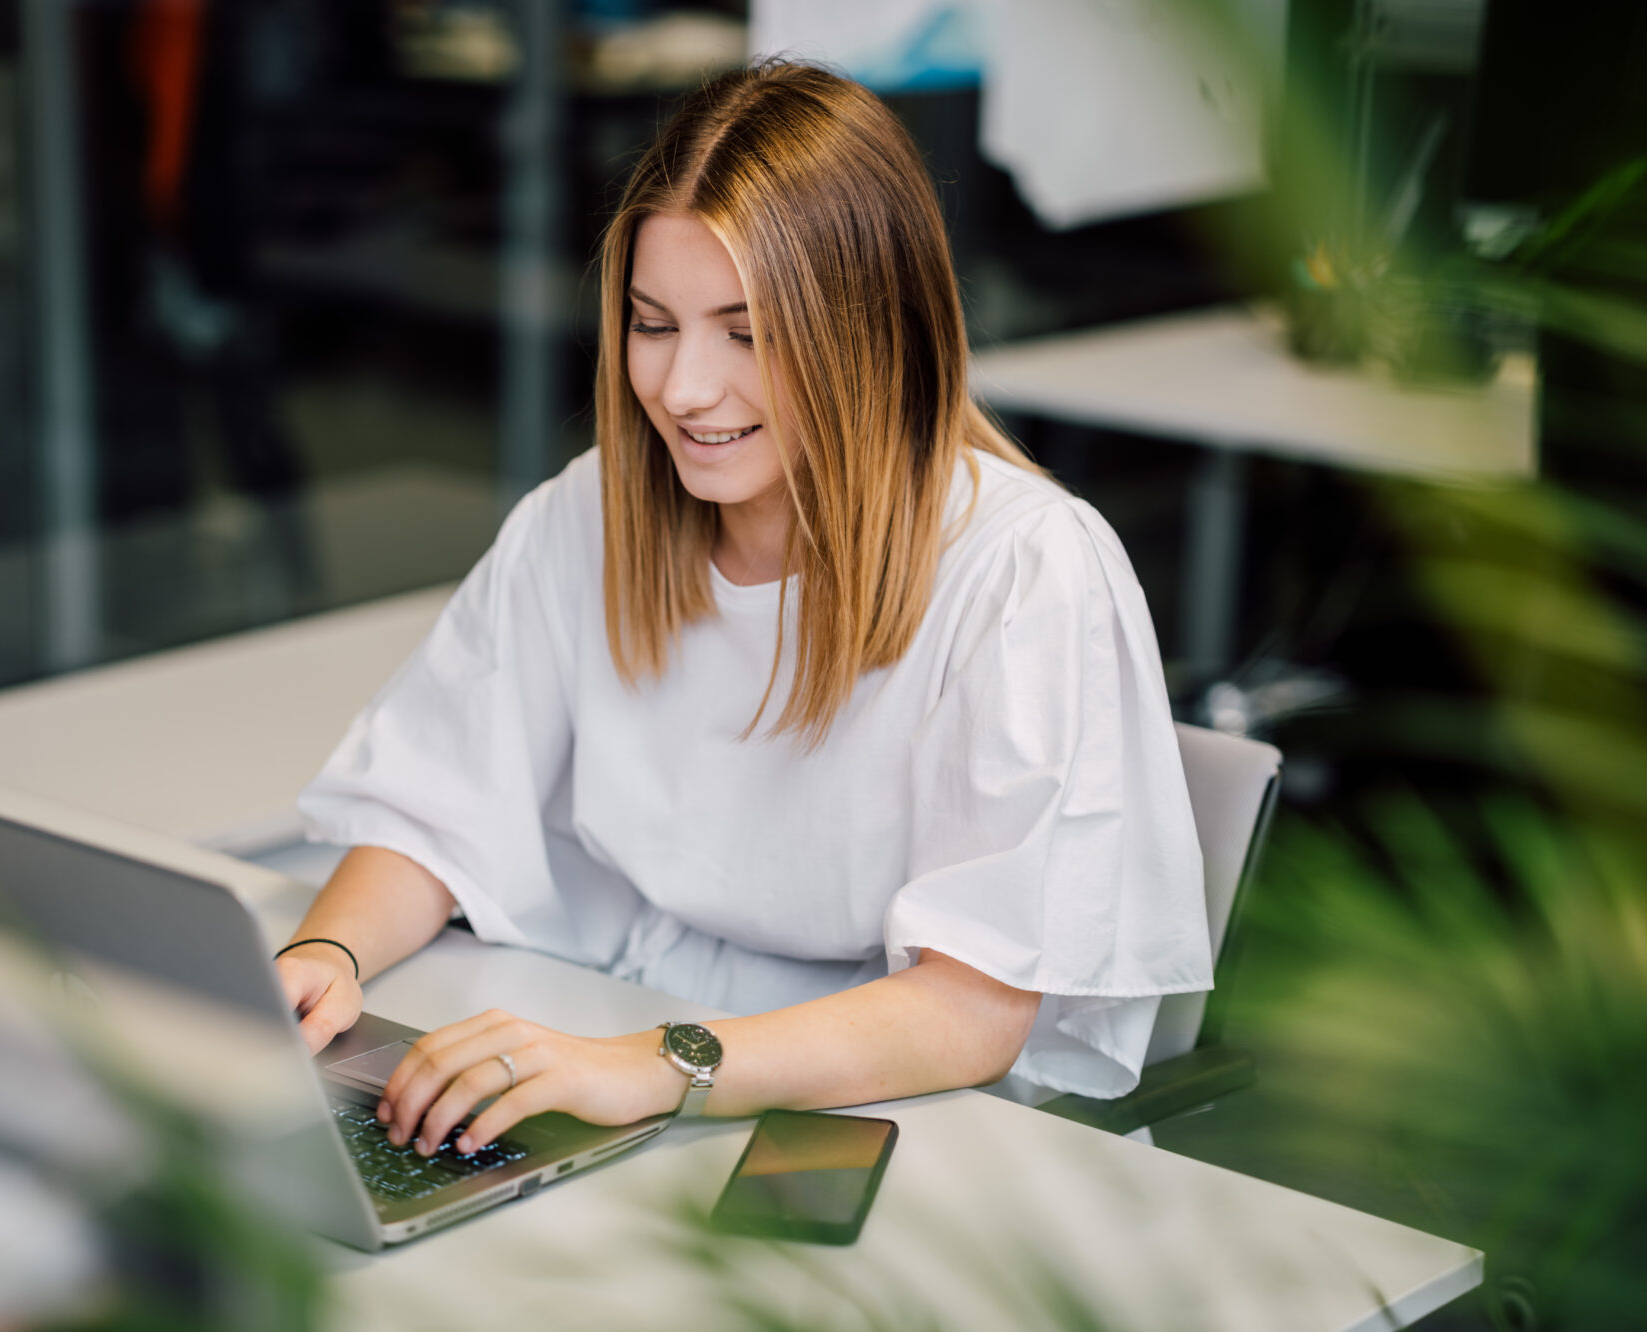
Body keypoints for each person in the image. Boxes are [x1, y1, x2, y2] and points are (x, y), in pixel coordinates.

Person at [277, 63, 1211, 1161]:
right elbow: (432, 811)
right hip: (624, 1033)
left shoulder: (1022, 567)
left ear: (874, 332)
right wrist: (325, 957)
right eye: (652, 324)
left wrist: (648, 1068)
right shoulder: (589, 513)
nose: (682, 389)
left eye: (747, 333)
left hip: (886, 1113)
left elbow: (971, 1010)